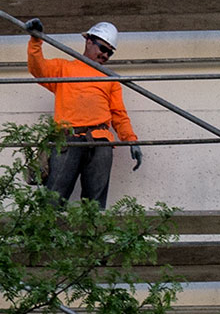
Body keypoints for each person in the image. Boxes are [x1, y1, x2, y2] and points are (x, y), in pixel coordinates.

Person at [25, 19, 141, 208]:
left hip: (101, 143)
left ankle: (91, 238)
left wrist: (132, 140)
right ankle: (47, 237)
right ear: (89, 42)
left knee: (95, 206)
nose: (105, 55)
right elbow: (38, 69)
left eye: (109, 53)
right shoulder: (64, 69)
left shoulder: (110, 79)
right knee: (53, 200)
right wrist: (36, 40)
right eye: (103, 48)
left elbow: (119, 114)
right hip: (68, 139)